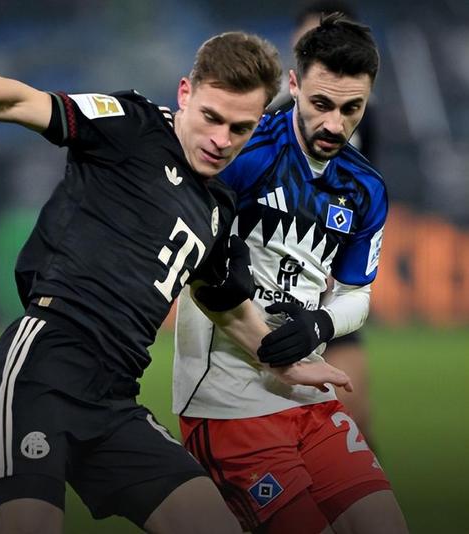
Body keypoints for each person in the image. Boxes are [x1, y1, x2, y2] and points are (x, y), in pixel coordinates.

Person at [0, 33, 351, 533]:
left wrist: (284, 361)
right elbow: (20, 101)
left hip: (115, 399)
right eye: (211, 117)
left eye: (240, 128)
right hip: (44, 368)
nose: (221, 139)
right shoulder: (131, 125)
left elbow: (225, 304)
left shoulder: (219, 207)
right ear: (185, 93)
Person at [174, 14, 408, 534]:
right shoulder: (241, 152)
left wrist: (321, 324)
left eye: (351, 109)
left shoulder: (365, 187)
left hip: (309, 395)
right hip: (229, 404)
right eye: (321, 104)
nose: (334, 125)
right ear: (294, 84)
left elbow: (358, 294)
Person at [271, 0, 379, 446]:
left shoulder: (365, 121)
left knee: (355, 412)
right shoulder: (265, 116)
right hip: (268, 287)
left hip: (326, 286)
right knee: (264, 420)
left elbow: (364, 195)